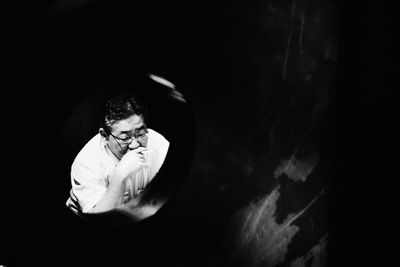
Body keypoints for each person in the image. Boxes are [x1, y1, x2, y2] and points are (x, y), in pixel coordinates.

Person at [66, 91, 170, 221]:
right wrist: (120, 175)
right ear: (104, 136)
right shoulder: (86, 163)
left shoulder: (157, 143)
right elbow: (100, 220)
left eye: (140, 133)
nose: (135, 144)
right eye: (124, 137)